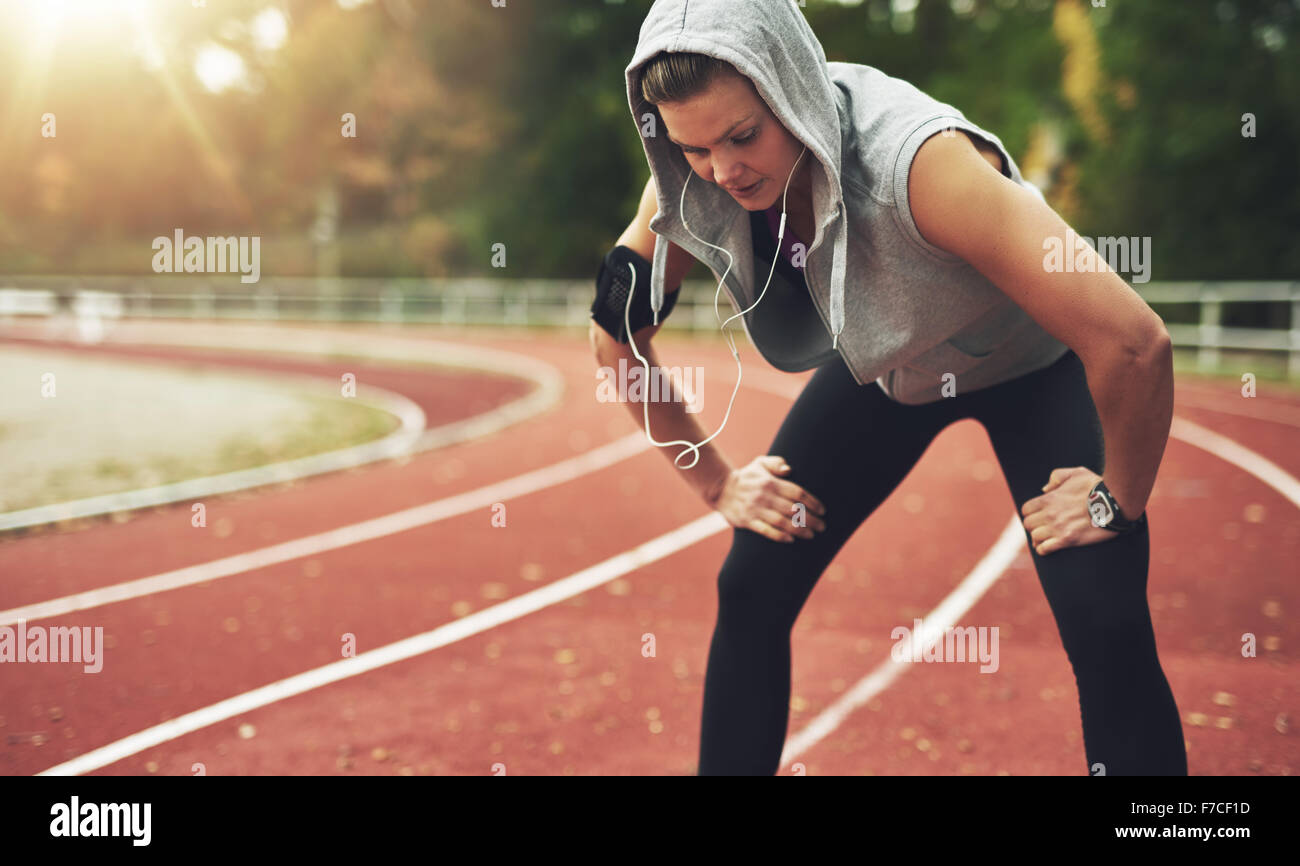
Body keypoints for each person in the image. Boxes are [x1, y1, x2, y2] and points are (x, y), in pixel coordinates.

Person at [590, 0, 1185, 776]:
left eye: (743, 136)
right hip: (886, 369)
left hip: (1030, 367)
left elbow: (1135, 343)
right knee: (751, 582)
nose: (724, 172)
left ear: (793, 91)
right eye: (694, 147)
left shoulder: (923, 167)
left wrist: (1117, 499)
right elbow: (613, 331)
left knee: (1101, 612)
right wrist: (717, 487)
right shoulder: (691, 179)